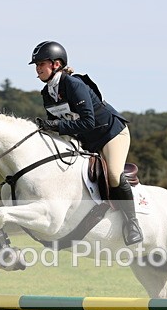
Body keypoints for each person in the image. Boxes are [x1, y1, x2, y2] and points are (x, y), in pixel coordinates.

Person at [30, 40, 142, 245]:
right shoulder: (47, 93)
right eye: (36, 65)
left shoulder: (74, 85)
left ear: (56, 64)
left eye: (41, 64)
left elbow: (88, 122)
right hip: (87, 141)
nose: (38, 69)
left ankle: (132, 223)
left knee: (113, 175)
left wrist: (56, 126)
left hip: (111, 134)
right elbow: (59, 123)